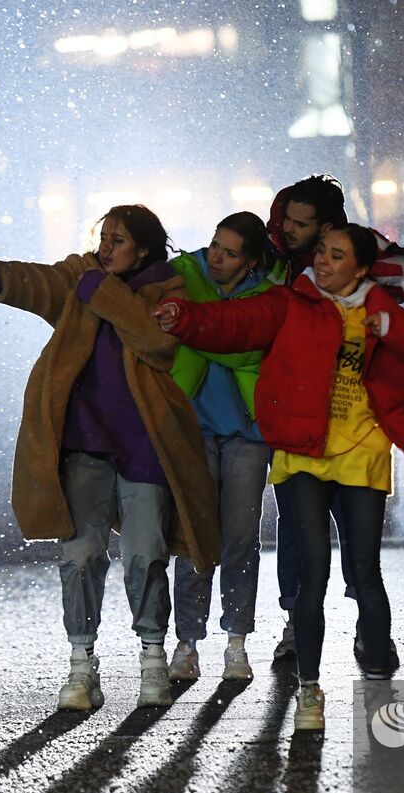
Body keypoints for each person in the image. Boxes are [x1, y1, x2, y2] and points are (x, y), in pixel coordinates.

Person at [157, 224, 404, 731]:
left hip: (362, 453)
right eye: (320, 251)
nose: (322, 261)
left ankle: (379, 682)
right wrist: (185, 317)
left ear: (360, 268)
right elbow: (236, 321)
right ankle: (309, 691)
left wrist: (392, 327)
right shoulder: (291, 302)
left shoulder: (381, 308)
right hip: (302, 455)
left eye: (336, 255)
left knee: (365, 570)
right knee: (312, 574)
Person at [0, 205, 218, 711]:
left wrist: (100, 291)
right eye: (103, 238)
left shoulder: (166, 290)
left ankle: (152, 658)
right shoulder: (81, 276)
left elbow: (157, 343)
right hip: (84, 441)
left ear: (143, 249)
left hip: (146, 442)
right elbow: (39, 283)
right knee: (79, 554)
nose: (105, 248)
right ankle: (82, 663)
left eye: (117, 241)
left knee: (145, 553)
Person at [264, 175, 404, 665]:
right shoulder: (277, 260)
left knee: (362, 547)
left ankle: (371, 630)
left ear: (328, 227)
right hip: (299, 424)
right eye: (286, 221)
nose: (289, 231)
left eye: (301, 225)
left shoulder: (357, 250)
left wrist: (357, 270)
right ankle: (297, 629)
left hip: (359, 428)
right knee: (298, 538)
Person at [164, 212, 280, 683]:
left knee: (238, 539)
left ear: (250, 261)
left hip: (250, 433)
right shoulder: (186, 275)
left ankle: (237, 642)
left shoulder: (268, 298)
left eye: (230, 252)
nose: (216, 256)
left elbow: (249, 348)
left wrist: (192, 329)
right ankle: (187, 643)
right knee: (194, 536)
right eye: (215, 244)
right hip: (194, 427)